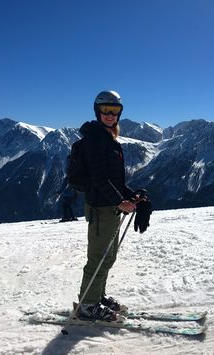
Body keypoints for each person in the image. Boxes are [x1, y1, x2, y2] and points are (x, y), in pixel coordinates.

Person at [74, 90, 138, 321]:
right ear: (97, 110)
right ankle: (87, 306)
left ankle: (97, 296)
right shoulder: (95, 139)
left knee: (108, 257)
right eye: (106, 110)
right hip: (101, 208)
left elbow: (115, 180)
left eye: (115, 110)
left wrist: (133, 195)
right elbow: (98, 177)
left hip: (110, 206)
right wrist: (119, 200)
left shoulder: (109, 138)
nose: (111, 115)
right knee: (98, 258)